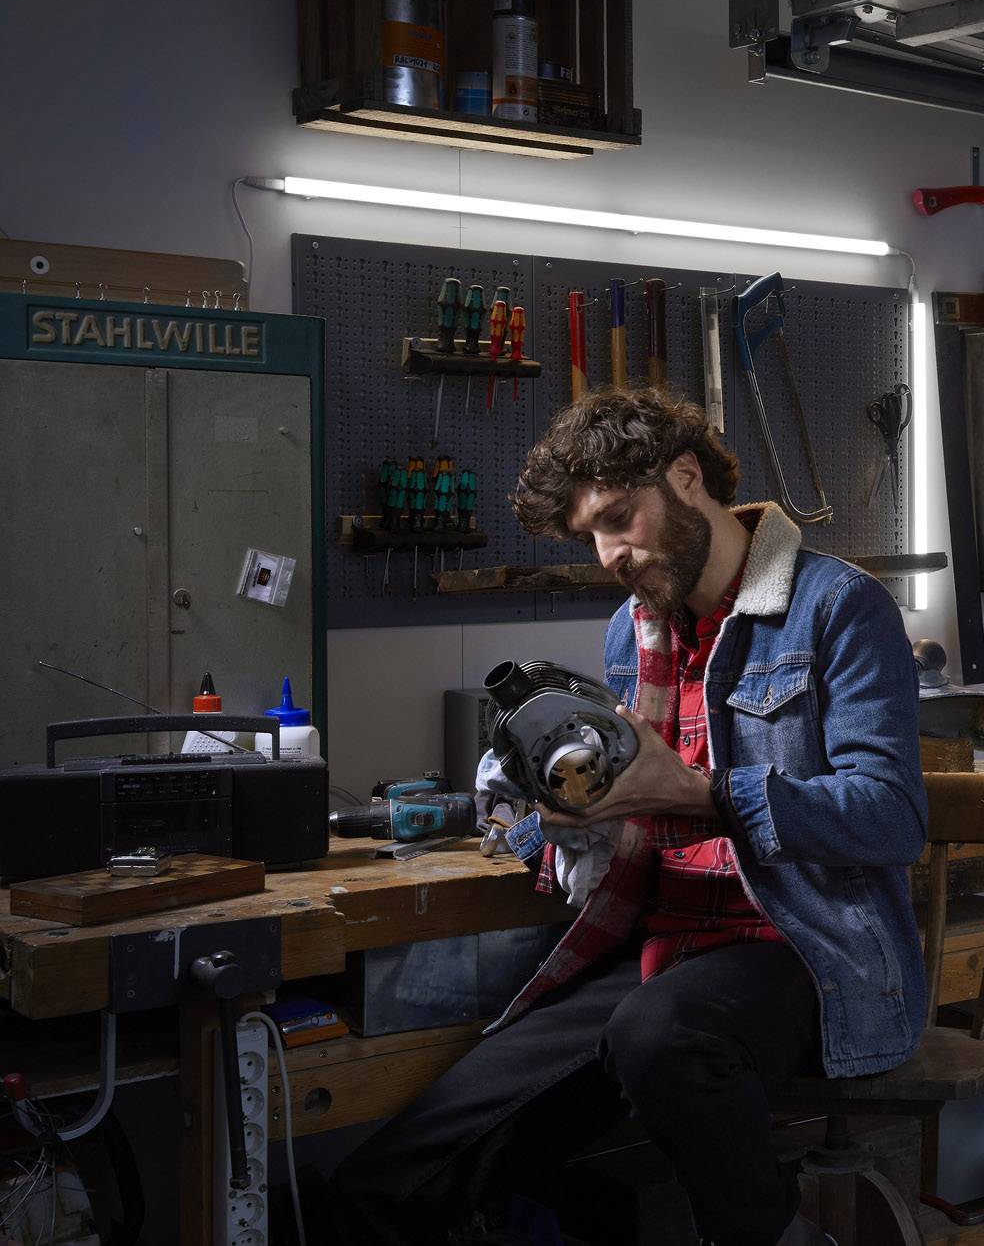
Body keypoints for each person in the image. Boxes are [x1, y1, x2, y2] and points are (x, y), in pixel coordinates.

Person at [328, 388, 928, 1246]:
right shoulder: (630, 630)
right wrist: (553, 819)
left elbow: (891, 815)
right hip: (655, 947)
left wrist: (704, 793)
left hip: (802, 947)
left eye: (618, 518)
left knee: (659, 1034)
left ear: (686, 477)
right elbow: (629, 810)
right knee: (389, 1181)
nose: (609, 553)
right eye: (590, 537)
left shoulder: (837, 605)